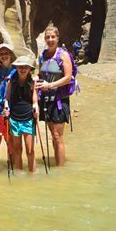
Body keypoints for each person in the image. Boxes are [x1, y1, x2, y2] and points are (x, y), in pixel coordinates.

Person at [37, 23, 73, 166]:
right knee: (53, 134)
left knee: (58, 136)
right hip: (46, 99)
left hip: (59, 100)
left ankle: (60, 169)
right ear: (45, 39)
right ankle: (57, 164)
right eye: (48, 37)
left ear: (57, 38)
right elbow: (40, 74)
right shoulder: (42, 55)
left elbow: (68, 77)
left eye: (53, 37)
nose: (50, 39)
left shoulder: (63, 55)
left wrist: (50, 85)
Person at [3, 54, 38, 173]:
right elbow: (6, 98)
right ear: (16, 68)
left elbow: (35, 101)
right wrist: (6, 107)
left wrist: (35, 108)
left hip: (28, 119)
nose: (22, 69)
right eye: (20, 67)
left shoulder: (32, 82)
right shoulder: (11, 82)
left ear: (29, 69)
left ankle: (32, 175)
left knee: (30, 150)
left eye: (25, 67)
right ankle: (19, 174)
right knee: (17, 149)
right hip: (14, 119)